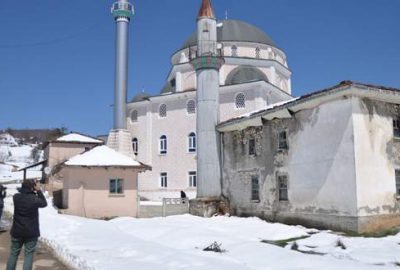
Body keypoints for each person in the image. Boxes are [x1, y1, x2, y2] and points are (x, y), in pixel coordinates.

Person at [6, 180, 47, 270]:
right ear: (32, 187)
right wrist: (38, 190)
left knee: (13, 254)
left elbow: (22, 193)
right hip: (31, 232)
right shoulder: (34, 199)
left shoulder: (16, 197)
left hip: (17, 230)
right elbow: (44, 203)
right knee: (28, 255)